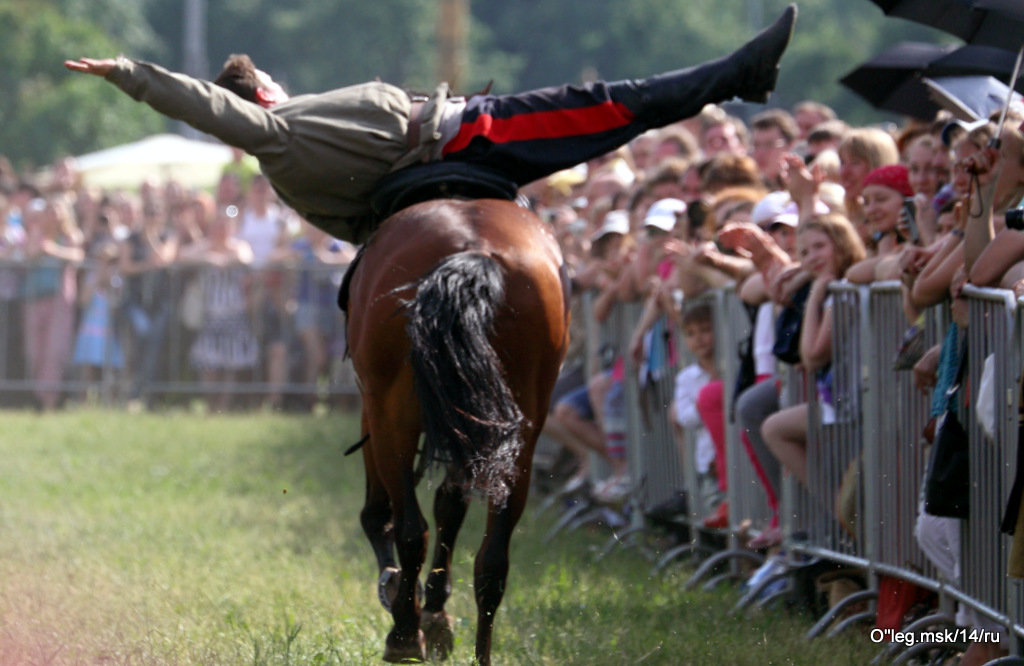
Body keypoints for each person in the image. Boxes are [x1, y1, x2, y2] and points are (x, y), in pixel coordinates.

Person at [64, 6, 798, 243]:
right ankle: (736, 77)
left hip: (415, 187)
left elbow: (356, 231)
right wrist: (130, 73)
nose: (279, 86)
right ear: (259, 95)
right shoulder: (277, 128)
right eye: (267, 85)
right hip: (468, 134)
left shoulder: (286, 177)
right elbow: (201, 103)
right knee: (611, 103)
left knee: (613, 117)